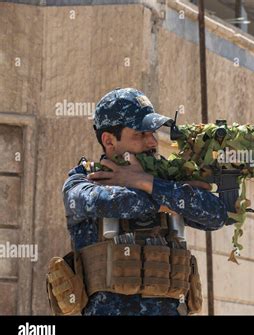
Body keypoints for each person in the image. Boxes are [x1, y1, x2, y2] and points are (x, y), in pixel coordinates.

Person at [61, 87, 228, 315]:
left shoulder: (163, 180)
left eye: (152, 132)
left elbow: (216, 215)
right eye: (140, 134)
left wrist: (149, 182)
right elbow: (106, 203)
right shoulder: (85, 179)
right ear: (109, 141)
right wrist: (167, 196)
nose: (152, 142)